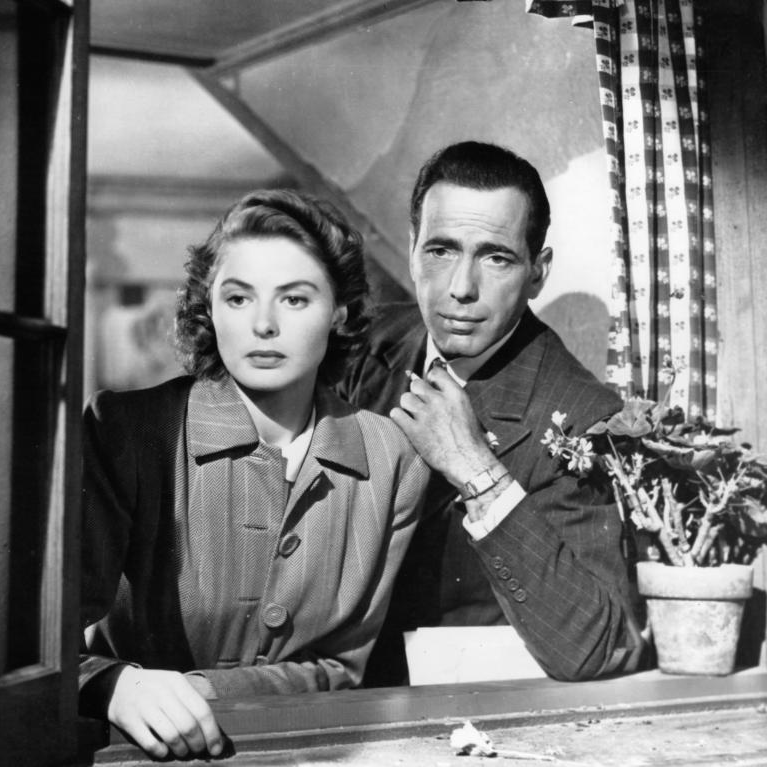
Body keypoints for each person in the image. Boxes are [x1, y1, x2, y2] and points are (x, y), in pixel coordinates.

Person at [79, 189, 429, 759]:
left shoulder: (391, 458)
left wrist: (205, 690)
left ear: (338, 312)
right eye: (238, 298)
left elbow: (344, 667)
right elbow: (44, 655)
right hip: (136, 754)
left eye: (294, 300)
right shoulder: (128, 431)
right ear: (208, 308)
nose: (263, 325)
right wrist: (116, 686)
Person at [338, 141, 646, 686]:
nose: (460, 288)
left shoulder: (585, 416)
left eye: (495, 257)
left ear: (537, 272)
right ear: (411, 250)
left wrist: (477, 470)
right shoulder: (367, 341)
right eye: (440, 250)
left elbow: (601, 645)